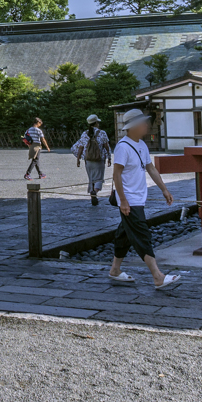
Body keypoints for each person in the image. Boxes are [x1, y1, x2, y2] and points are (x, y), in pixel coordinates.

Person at [106, 109, 181, 290]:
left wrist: (164, 189)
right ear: (133, 127)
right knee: (142, 235)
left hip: (138, 198)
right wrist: (123, 200)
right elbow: (116, 175)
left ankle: (115, 270)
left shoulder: (142, 145)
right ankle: (158, 276)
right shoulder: (123, 147)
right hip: (130, 199)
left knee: (124, 234)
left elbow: (151, 168)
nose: (146, 125)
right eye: (143, 123)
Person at [71, 114, 112, 206]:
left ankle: (92, 195)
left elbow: (81, 147)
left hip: (88, 160)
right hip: (99, 159)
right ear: (96, 123)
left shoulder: (85, 133)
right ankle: (95, 192)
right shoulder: (102, 133)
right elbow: (106, 146)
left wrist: (78, 159)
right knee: (99, 178)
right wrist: (109, 157)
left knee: (91, 178)